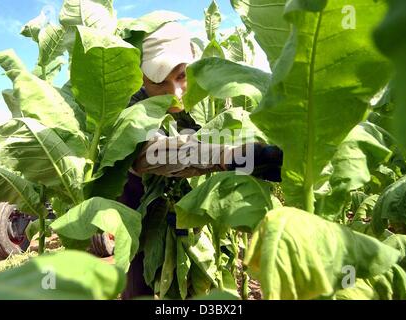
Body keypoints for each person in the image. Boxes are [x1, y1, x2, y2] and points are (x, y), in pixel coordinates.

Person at [118, 22, 283, 299]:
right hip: (140, 216)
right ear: (143, 79)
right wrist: (227, 156)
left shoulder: (199, 102)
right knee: (140, 284)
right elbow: (153, 153)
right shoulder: (134, 109)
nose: (175, 92)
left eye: (182, 77)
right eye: (160, 82)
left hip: (186, 215)